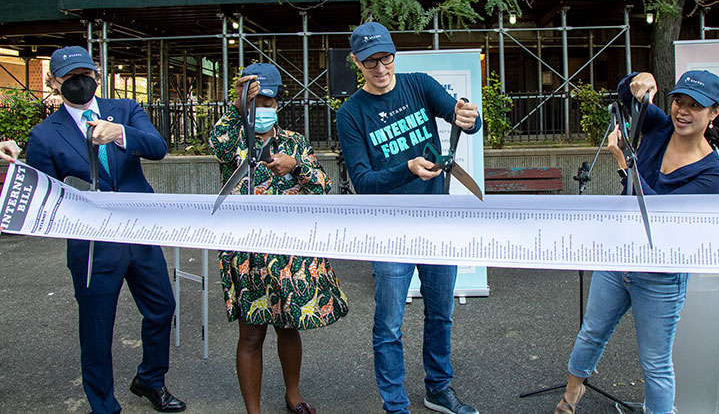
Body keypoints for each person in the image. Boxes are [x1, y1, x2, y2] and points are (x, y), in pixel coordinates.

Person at [555, 70, 719, 414]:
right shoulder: (660, 127)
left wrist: (623, 162)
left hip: (662, 274)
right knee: (591, 332)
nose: (683, 110)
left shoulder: (713, 171)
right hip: (619, 255)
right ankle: (572, 392)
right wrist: (641, 79)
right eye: (679, 100)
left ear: (714, 113)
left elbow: (657, 217)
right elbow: (625, 95)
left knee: (656, 363)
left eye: (696, 106)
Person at [26, 46, 185, 414]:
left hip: (140, 234)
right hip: (93, 246)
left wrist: (120, 133)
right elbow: (42, 197)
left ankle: (151, 380)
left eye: (85, 74)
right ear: (55, 82)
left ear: (97, 76)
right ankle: (103, 404)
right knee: (97, 329)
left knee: (162, 308)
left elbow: (158, 148)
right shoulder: (45, 135)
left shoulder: (125, 110)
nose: (80, 83)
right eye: (69, 78)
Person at [335, 22, 481, 414]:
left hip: (437, 222)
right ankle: (395, 405)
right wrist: (408, 168)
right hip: (389, 229)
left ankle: (438, 388)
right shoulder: (350, 114)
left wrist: (470, 117)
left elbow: (461, 116)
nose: (381, 69)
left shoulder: (418, 84)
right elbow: (363, 182)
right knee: (388, 325)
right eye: (370, 63)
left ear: (394, 54)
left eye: (386, 58)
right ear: (356, 63)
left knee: (441, 314)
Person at [208, 63, 348, 414]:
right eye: (257, 103)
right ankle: (253, 411)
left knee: (289, 328)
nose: (264, 109)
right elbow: (216, 141)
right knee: (251, 335)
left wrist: (295, 167)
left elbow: (323, 187)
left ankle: (293, 395)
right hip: (247, 254)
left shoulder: (294, 143)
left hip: (289, 254)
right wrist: (239, 105)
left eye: (269, 102)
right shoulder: (234, 140)